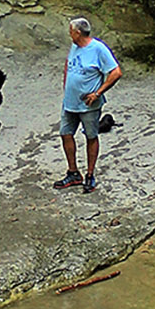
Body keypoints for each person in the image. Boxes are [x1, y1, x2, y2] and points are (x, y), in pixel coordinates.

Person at [55, 17, 120, 193]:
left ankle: (90, 174)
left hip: (88, 104)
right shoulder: (75, 46)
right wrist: (66, 85)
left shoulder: (98, 49)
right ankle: (73, 172)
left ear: (77, 32)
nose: (69, 34)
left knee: (91, 136)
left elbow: (115, 72)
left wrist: (98, 93)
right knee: (65, 133)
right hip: (70, 102)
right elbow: (68, 65)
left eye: (70, 31)